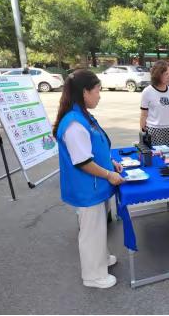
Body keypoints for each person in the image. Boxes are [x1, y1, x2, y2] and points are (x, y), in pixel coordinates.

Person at [53, 69, 125, 289]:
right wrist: (109, 174)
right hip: (87, 187)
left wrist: (110, 163)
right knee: (91, 231)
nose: (100, 95)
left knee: (98, 227)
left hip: (95, 184)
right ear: (85, 92)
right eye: (97, 90)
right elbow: (82, 162)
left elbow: (94, 147)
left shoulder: (82, 114)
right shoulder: (74, 123)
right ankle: (93, 276)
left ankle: (101, 260)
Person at [140, 60, 169, 152]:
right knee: (157, 160)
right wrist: (143, 134)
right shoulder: (147, 91)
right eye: (166, 74)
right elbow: (144, 115)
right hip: (153, 131)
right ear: (157, 75)